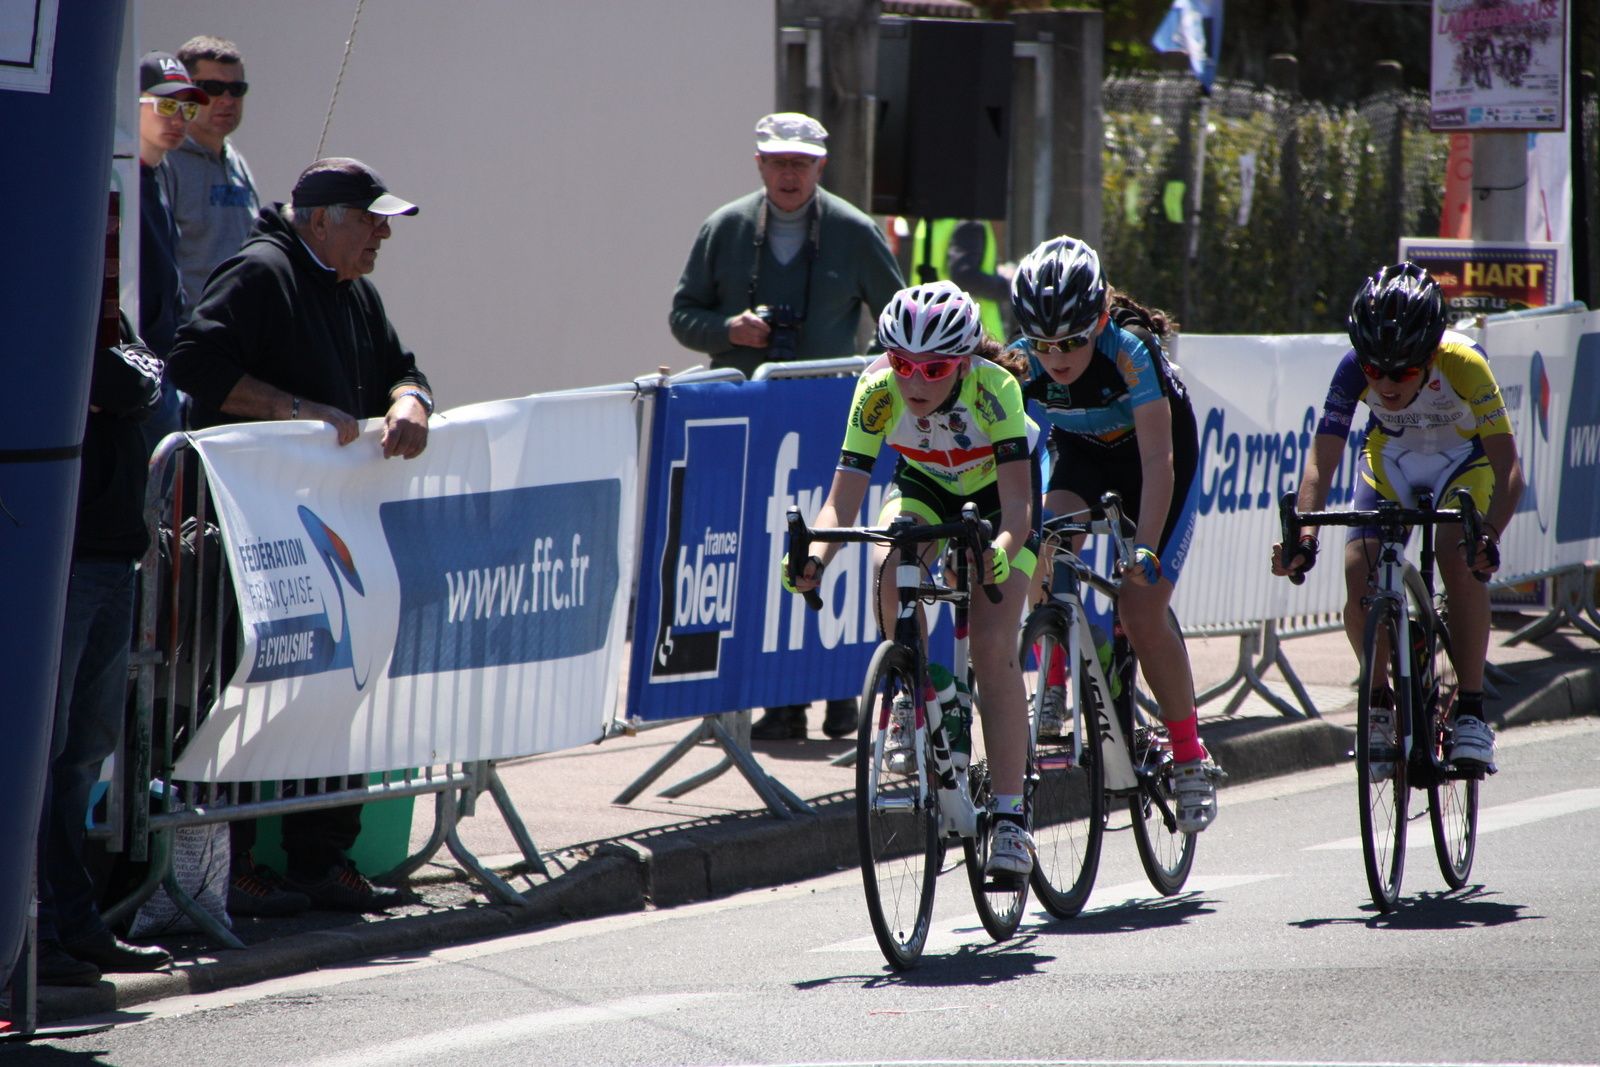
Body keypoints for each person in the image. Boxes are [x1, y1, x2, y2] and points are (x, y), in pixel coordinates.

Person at [166, 157, 435, 912]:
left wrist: (410, 400)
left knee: (336, 688)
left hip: (330, 533)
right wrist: (293, 409)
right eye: (370, 217)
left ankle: (324, 858)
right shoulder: (260, 272)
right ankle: (234, 861)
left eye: (386, 219)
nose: (383, 232)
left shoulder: (356, 293)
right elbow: (192, 360)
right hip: (250, 535)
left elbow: (404, 368)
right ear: (322, 220)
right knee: (244, 688)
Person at [782, 281, 1041, 879]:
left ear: (964, 361)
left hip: (1001, 506)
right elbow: (839, 507)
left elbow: (1021, 510)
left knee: (994, 645)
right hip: (925, 485)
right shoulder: (876, 392)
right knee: (887, 558)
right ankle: (914, 688)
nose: (915, 381)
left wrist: (1001, 551)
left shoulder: (995, 388)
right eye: (902, 364)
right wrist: (814, 558)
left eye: (934, 368)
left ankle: (1010, 819)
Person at [669, 111, 905, 741]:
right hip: (752, 422)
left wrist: (871, 375)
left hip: (830, 419)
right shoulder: (724, 228)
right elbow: (682, 315)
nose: (790, 174)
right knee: (766, 555)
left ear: (820, 167)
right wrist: (728, 331)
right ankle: (779, 701)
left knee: (836, 547)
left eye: (801, 163)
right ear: (759, 165)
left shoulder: (854, 232)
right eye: (778, 162)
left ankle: (839, 690)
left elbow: (901, 316)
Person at [1272, 262, 1522, 773]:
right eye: (1374, 370)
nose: (1385, 383)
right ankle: (1381, 701)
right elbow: (1321, 461)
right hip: (1393, 458)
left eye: (1403, 371)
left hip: (1463, 461)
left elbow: (1509, 470)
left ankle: (1472, 711)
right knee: (1357, 568)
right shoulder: (1351, 368)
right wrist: (1304, 533)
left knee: (1459, 555)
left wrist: (1489, 536)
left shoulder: (1464, 364)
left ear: (1430, 355)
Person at [1009, 235, 1220, 834]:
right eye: (1044, 343)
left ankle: (1188, 756)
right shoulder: (1024, 366)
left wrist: (1146, 546)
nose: (1057, 356)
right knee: (1042, 543)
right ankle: (1055, 670)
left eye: (1073, 340)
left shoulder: (1129, 352)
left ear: (1099, 320)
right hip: (1085, 460)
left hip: (1156, 465)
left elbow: (1159, 462)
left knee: (1141, 606)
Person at [32, 294, 173, 985]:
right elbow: (122, 381)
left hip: (113, 556)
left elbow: (146, 380)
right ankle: (42, 931)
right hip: (67, 558)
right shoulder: (41, 291)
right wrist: (122, 385)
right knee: (45, 752)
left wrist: (122, 386)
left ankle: (73, 921)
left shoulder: (100, 303)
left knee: (84, 750)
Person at [136, 50, 209, 449]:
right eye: (165, 105)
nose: (178, 118)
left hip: (163, 373)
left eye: (187, 108)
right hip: (134, 376)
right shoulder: (117, 179)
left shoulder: (159, 178)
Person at [161, 35, 261, 308]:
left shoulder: (236, 161)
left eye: (236, 89)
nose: (227, 100)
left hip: (241, 335)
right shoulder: (166, 162)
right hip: (190, 335)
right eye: (213, 88)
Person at [908, 217, 1011, 342]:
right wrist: (1008, 284)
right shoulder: (969, 220)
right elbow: (965, 276)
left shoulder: (931, 222)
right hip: (972, 338)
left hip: (927, 328)